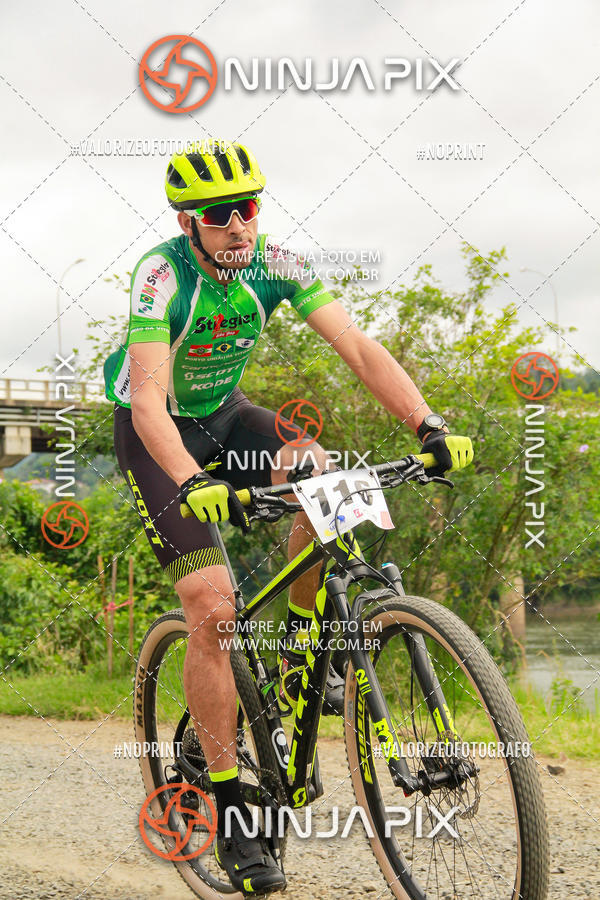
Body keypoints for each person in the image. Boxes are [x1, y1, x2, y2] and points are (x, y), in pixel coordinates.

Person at [104, 139, 473, 896]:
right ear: (188, 221)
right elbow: (147, 401)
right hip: (158, 436)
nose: (240, 225)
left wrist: (426, 423)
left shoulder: (279, 263)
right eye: (220, 214)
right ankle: (234, 808)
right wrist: (193, 479)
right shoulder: (160, 275)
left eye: (250, 207)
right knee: (212, 607)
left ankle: (306, 652)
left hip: (229, 416)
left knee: (320, 472)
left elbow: (357, 347)